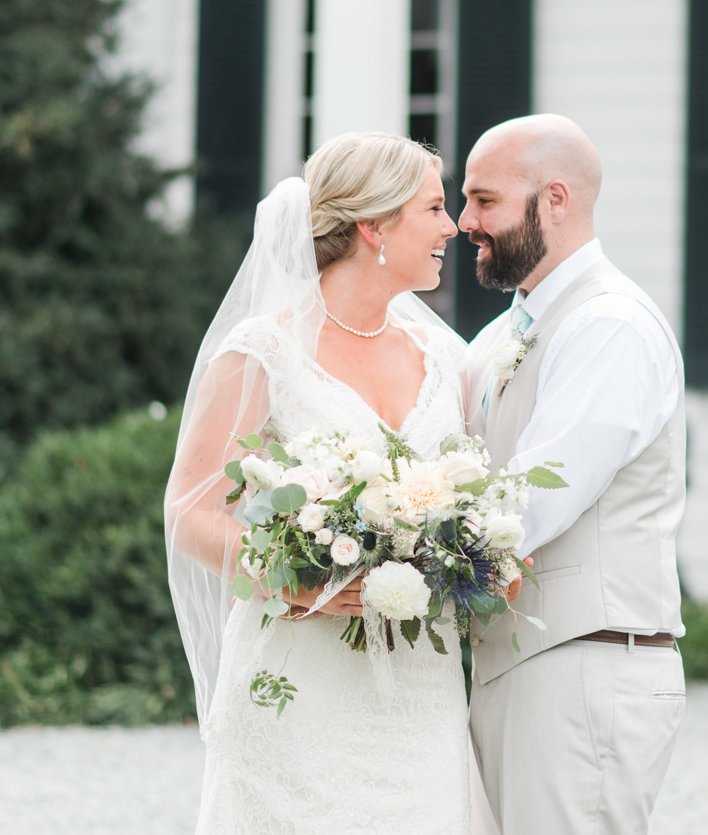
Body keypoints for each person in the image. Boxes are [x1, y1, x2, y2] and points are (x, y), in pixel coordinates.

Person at [164, 132, 496, 833]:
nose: (452, 226)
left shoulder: (444, 356)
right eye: (433, 208)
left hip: (416, 685)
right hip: (299, 676)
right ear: (373, 226)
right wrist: (297, 579)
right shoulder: (265, 349)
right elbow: (192, 511)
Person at [461, 114, 688, 834]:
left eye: (484, 199)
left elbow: (537, 494)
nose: (466, 220)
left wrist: (406, 547)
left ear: (554, 200)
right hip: (523, 662)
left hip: (585, 665)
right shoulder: (508, 332)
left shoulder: (609, 324)